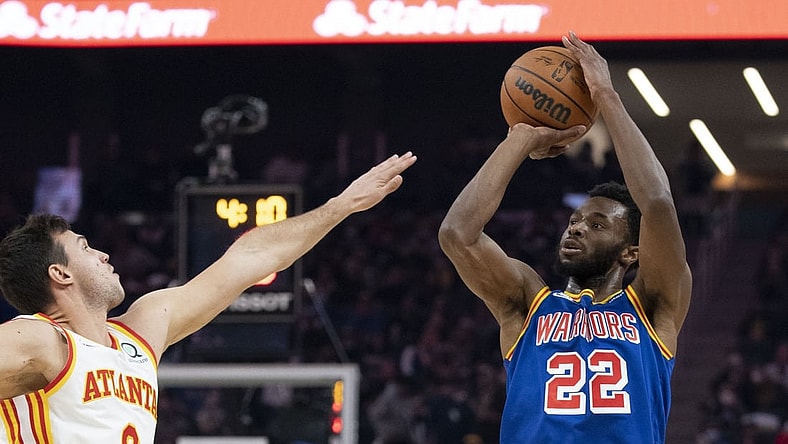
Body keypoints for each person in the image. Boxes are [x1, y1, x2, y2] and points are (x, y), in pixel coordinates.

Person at [0, 152, 416, 443]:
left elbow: (251, 257)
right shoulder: (39, 340)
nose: (104, 254)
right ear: (60, 273)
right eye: (86, 247)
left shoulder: (142, 330)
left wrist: (340, 206)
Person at [438, 31, 692, 443]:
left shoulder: (653, 304)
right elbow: (457, 234)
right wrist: (519, 139)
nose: (575, 227)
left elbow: (658, 203)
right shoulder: (526, 303)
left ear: (632, 252)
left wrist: (605, 95)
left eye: (596, 224)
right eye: (574, 220)